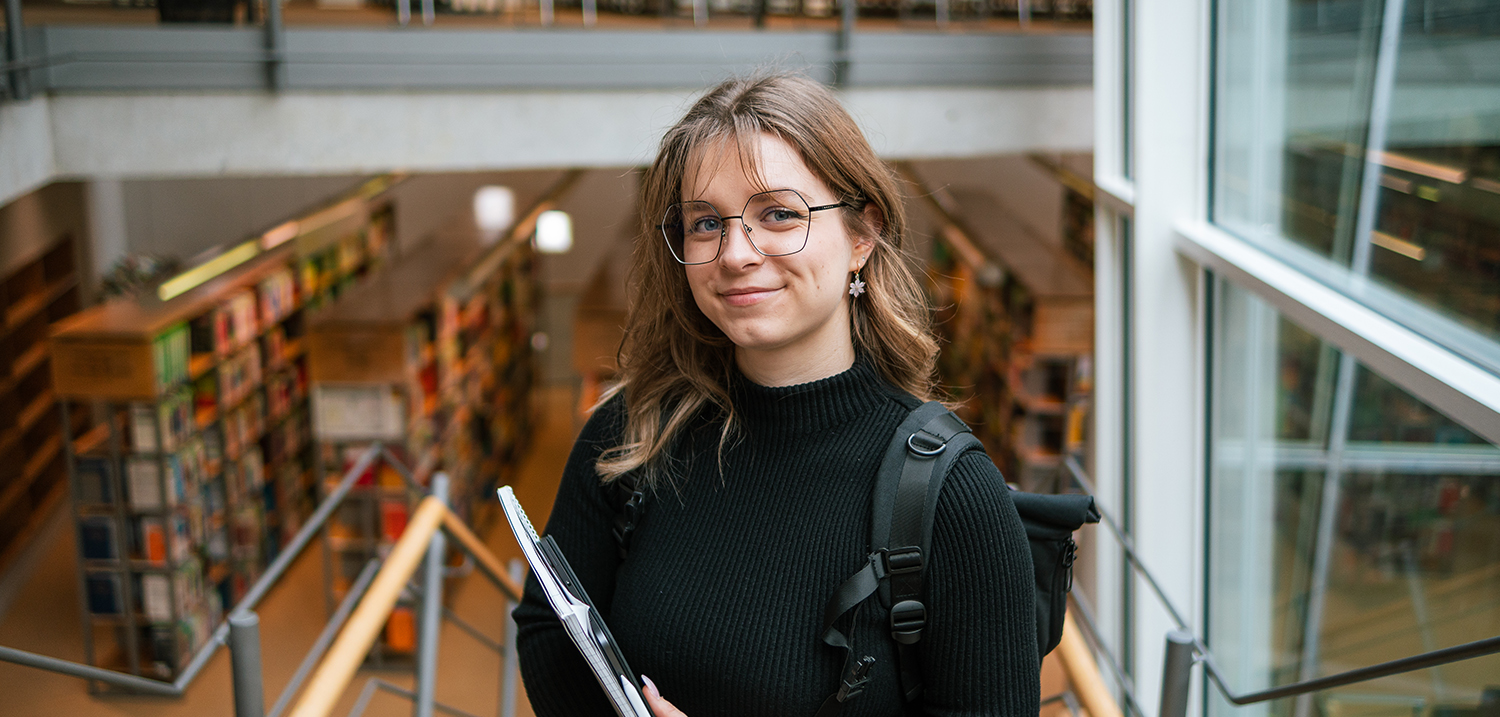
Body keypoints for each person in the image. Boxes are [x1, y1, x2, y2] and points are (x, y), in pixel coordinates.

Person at [513, 71, 1039, 717]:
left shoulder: (951, 496)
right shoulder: (632, 430)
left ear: (861, 235)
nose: (736, 252)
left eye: (779, 214)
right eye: (705, 222)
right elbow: (549, 626)